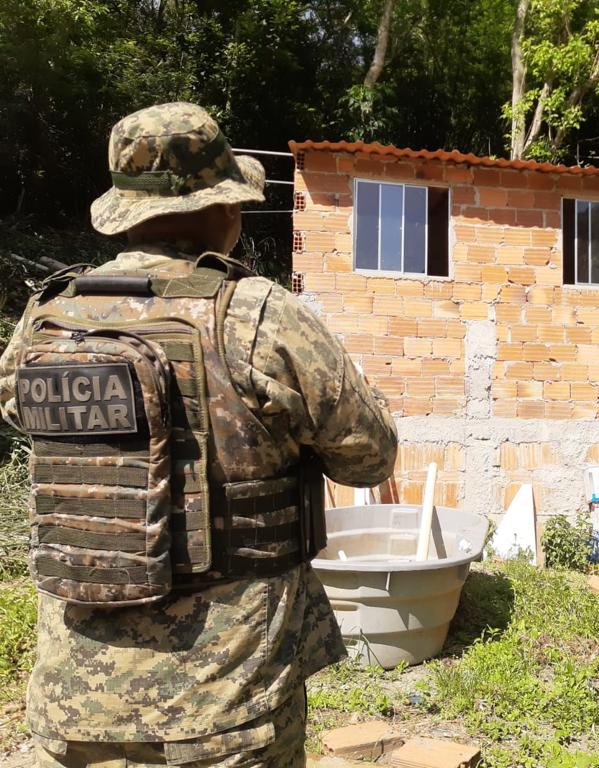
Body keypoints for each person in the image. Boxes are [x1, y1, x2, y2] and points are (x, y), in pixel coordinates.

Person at [0, 102, 398, 767]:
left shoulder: (48, 318)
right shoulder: (259, 316)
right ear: (221, 212)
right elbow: (369, 458)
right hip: (227, 712)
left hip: (72, 709)